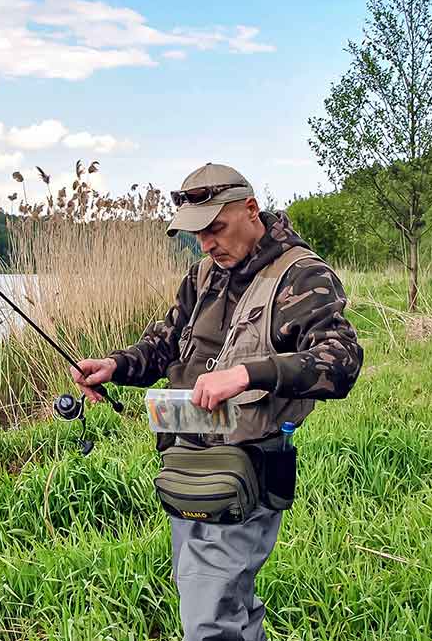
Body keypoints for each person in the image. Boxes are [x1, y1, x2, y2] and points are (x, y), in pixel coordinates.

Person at [72, 163, 363, 641]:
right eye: (197, 234)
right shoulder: (204, 274)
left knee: (208, 617)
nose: (206, 243)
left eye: (215, 228)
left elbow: (341, 362)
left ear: (251, 210)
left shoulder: (302, 276)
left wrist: (248, 374)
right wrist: (115, 366)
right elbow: (163, 346)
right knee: (226, 603)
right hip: (187, 465)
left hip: (245, 467)